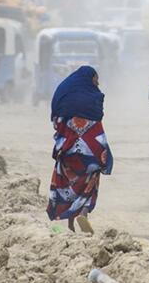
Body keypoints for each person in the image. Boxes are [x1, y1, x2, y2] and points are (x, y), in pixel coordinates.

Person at [47, 65, 112, 234]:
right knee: (90, 181)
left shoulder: (63, 95)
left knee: (67, 182)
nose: (97, 84)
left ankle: (68, 223)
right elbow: (98, 129)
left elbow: (56, 123)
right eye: (95, 80)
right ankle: (83, 212)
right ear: (90, 79)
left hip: (67, 153)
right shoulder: (93, 100)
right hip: (90, 154)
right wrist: (104, 155)